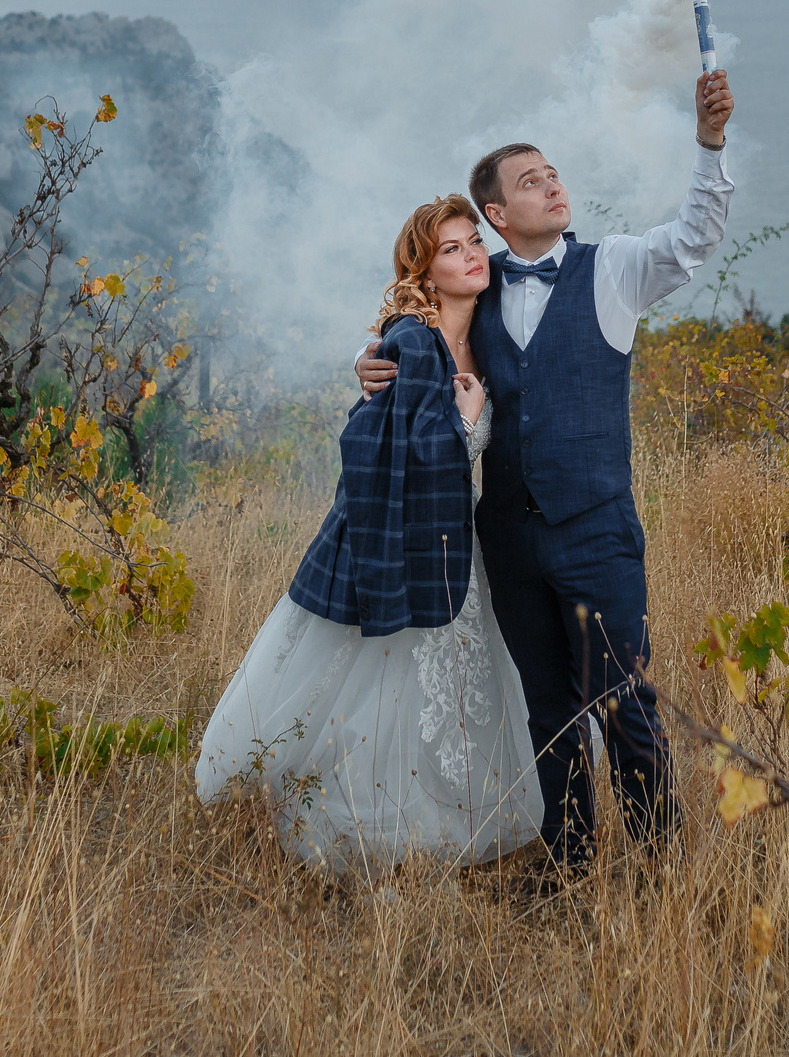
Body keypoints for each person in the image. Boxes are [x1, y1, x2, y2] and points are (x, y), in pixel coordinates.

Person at [355, 67, 734, 872]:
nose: (553, 185)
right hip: (510, 544)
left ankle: (663, 871)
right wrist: (369, 360)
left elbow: (695, 236)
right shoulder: (476, 290)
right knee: (549, 711)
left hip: (598, 533)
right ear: (497, 214)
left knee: (627, 705)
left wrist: (708, 144)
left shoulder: (616, 267)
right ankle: (568, 867)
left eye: (554, 173)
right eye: (531, 181)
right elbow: (416, 335)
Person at [196, 197, 543, 878]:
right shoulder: (415, 342)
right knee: (392, 688)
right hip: (410, 537)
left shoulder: (489, 326)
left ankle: (460, 815)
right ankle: (380, 824)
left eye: (475, 240)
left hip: (458, 543)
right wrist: (469, 422)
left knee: (457, 689)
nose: (472, 254)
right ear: (424, 266)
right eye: (450, 248)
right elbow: (413, 451)